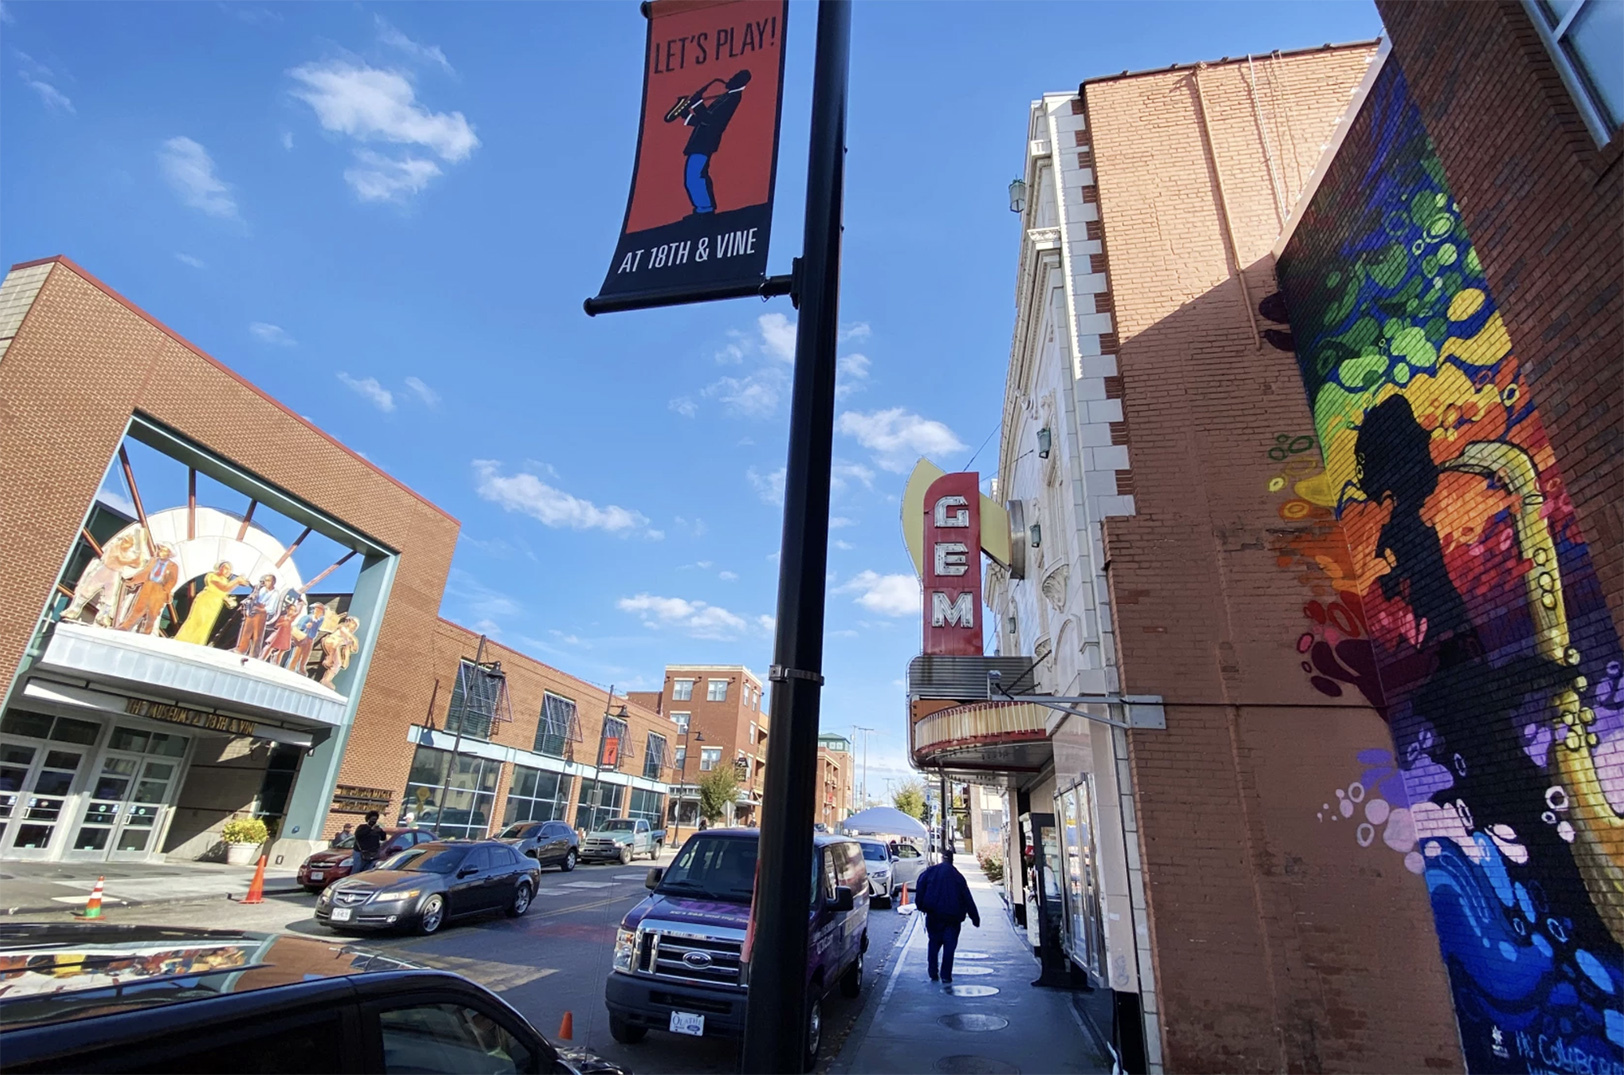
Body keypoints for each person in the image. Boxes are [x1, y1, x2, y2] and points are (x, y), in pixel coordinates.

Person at [669, 69, 751, 216]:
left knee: (694, 176)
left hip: (705, 143)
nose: (730, 79)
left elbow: (710, 121)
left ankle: (705, 210)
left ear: (740, 81)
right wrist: (685, 114)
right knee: (694, 176)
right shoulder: (726, 96)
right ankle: (703, 209)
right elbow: (703, 122)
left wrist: (697, 103)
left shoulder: (733, 98)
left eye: (734, 77)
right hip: (701, 141)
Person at [914, 848, 980, 984]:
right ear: (952, 860)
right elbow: (967, 897)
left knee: (933, 943)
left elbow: (920, 888)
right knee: (949, 947)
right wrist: (975, 917)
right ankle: (946, 975)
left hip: (933, 915)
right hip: (953, 917)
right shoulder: (958, 876)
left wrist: (921, 905)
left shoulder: (930, 872)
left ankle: (932, 971)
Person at [174, 562, 249, 645]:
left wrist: (231, 595)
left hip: (215, 605)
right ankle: (182, 640)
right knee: (197, 621)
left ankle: (197, 643)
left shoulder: (224, 580)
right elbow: (224, 588)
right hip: (205, 601)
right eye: (226, 568)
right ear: (220, 568)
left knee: (206, 625)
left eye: (230, 569)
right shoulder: (212, 576)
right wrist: (237, 580)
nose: (228, 571)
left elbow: (225, 591)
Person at [117, 543, 180, 635]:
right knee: (138, 608)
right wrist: (133, 581)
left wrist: (165, 590)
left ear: (168, 553)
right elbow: (145, 573)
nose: (160, 552)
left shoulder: (173, 566)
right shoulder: (154, 561)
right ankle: (126, 627)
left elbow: (173, 580)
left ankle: (147, 631)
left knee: (153, 613)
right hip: (148, 586)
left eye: (163, 550)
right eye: (160, 550)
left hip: (159, 589)